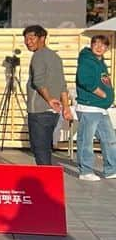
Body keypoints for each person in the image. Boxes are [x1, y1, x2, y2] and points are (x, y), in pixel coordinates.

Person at [23, 25, 71, 167]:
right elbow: (62, 84)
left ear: (42, 38)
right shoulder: (55, 57)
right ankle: (47, 180)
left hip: (39, 111)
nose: (28, 42)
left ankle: (44, 183)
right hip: (53, 113)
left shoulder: (38, 55)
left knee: (40, 151)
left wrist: (49, 99)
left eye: (32, 38)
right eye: (26, 39)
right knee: (46, 149)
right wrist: (66, 107)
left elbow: (38, 81)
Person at [74, 32, 116, 180]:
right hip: (89, 107)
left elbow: (103, 82)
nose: (99, 47)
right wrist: (103, 95)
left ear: (107, 48)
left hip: (101, 109)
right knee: (86, 140)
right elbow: (84, 80)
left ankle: (111, 169)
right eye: (96, 44)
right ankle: (85, 171)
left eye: (103, 45)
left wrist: (109, 98)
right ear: (91, 45)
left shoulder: (100, 62)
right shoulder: (87, 60)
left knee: (109, 139)